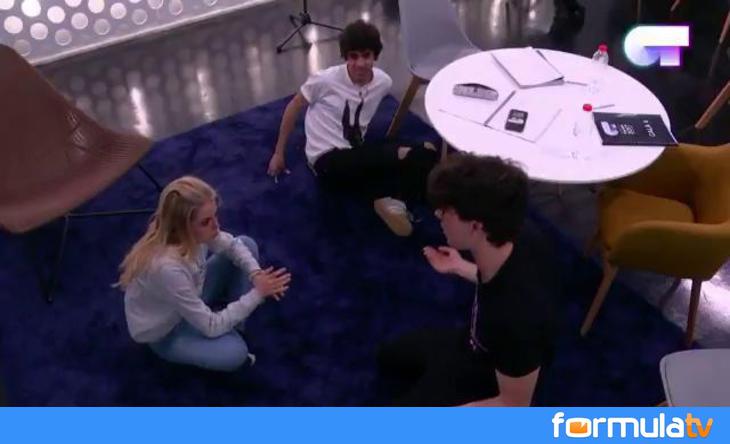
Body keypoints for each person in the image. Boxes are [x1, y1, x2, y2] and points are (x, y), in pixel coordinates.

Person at [378, 154, 558, 406]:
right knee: (388, 355)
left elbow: (513, 406)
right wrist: (460, 266)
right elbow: (500, 281)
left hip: (487, 379)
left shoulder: (515, 322)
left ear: (475, 226)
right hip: (471, 343)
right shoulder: (515, 231)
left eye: (447, 211)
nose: (438, 214)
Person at [267, 19, 440, 237]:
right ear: (345, 57)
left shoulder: (383, 83)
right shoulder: (324, 80)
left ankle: (387, 198)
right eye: (353, 56)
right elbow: (294, 105)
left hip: (356, 150)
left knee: (407, 153)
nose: (360, 63)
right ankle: (404, 195)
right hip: (325, 159)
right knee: (407, 154)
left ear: (375, 56)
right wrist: (278, 152)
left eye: (366, 55)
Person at [118, 176, 291, 371]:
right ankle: (224, 329)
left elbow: (231, 244)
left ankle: (232, 324)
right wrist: (257, 294)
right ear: (183, 227)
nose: (216, 225)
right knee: (236, 354)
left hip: (190, 293)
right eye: (206, 222)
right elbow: (210, 326)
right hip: (168, 330)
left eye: (215, 216)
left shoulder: (182, 232)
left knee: (246, 244)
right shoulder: (167, 269)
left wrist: (256, 274)